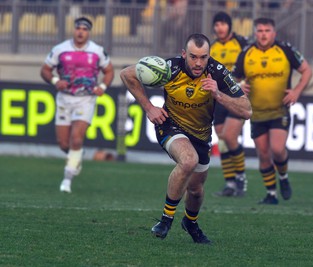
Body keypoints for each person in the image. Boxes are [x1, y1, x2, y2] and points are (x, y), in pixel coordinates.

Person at [120, 33, 252, 243]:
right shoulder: (169, 68)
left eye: (203, 57)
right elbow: (127, 74)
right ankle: (166, 219)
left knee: (196, 190)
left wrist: (218, 94)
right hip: (170, 126)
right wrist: (149, 108)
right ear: (184, 54)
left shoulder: (217, 72)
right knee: (188, 160)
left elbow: (247, 110)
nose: (198, 63)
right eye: (193, 57)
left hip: (201, 135)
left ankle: (190, 222)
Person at [233, 18, 312, 204]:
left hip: (279, 110)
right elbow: (233, 80)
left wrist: (296, 91)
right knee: (263, 154)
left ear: (274, 33)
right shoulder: (246, 53)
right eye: (259, 30)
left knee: (277, 149)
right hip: (257, 113)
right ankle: (271, 194)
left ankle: (283, 177)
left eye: (267, 30)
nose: (263, 34)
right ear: (255, 33)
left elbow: (307, 71)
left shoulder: (285, 50)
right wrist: (239, 86)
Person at [40, 17, 114, 193]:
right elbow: (45, 70)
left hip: (86, 99)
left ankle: (67, 179)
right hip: (64, 99)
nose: (81, 31)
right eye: (78, 28)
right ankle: (76, 155)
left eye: (85, 29)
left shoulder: (97, 51)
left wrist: (103, 86)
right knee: (63, 143)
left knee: (76, 138)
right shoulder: (60, 49)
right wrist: (55, 80)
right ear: (74, 30)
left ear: (89, 32)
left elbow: (109, 70)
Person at [210, 11, 249, 197]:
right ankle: (230, 183)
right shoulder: (212, 47)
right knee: (223, 140)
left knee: (230, 136)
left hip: (237, 97)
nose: (220, 28)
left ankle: (241, 177)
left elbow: (252, 65)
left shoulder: (242, 43)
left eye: (223, 24)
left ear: (229, 26)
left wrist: (244, 83)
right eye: (217, 24)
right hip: (218, 98)